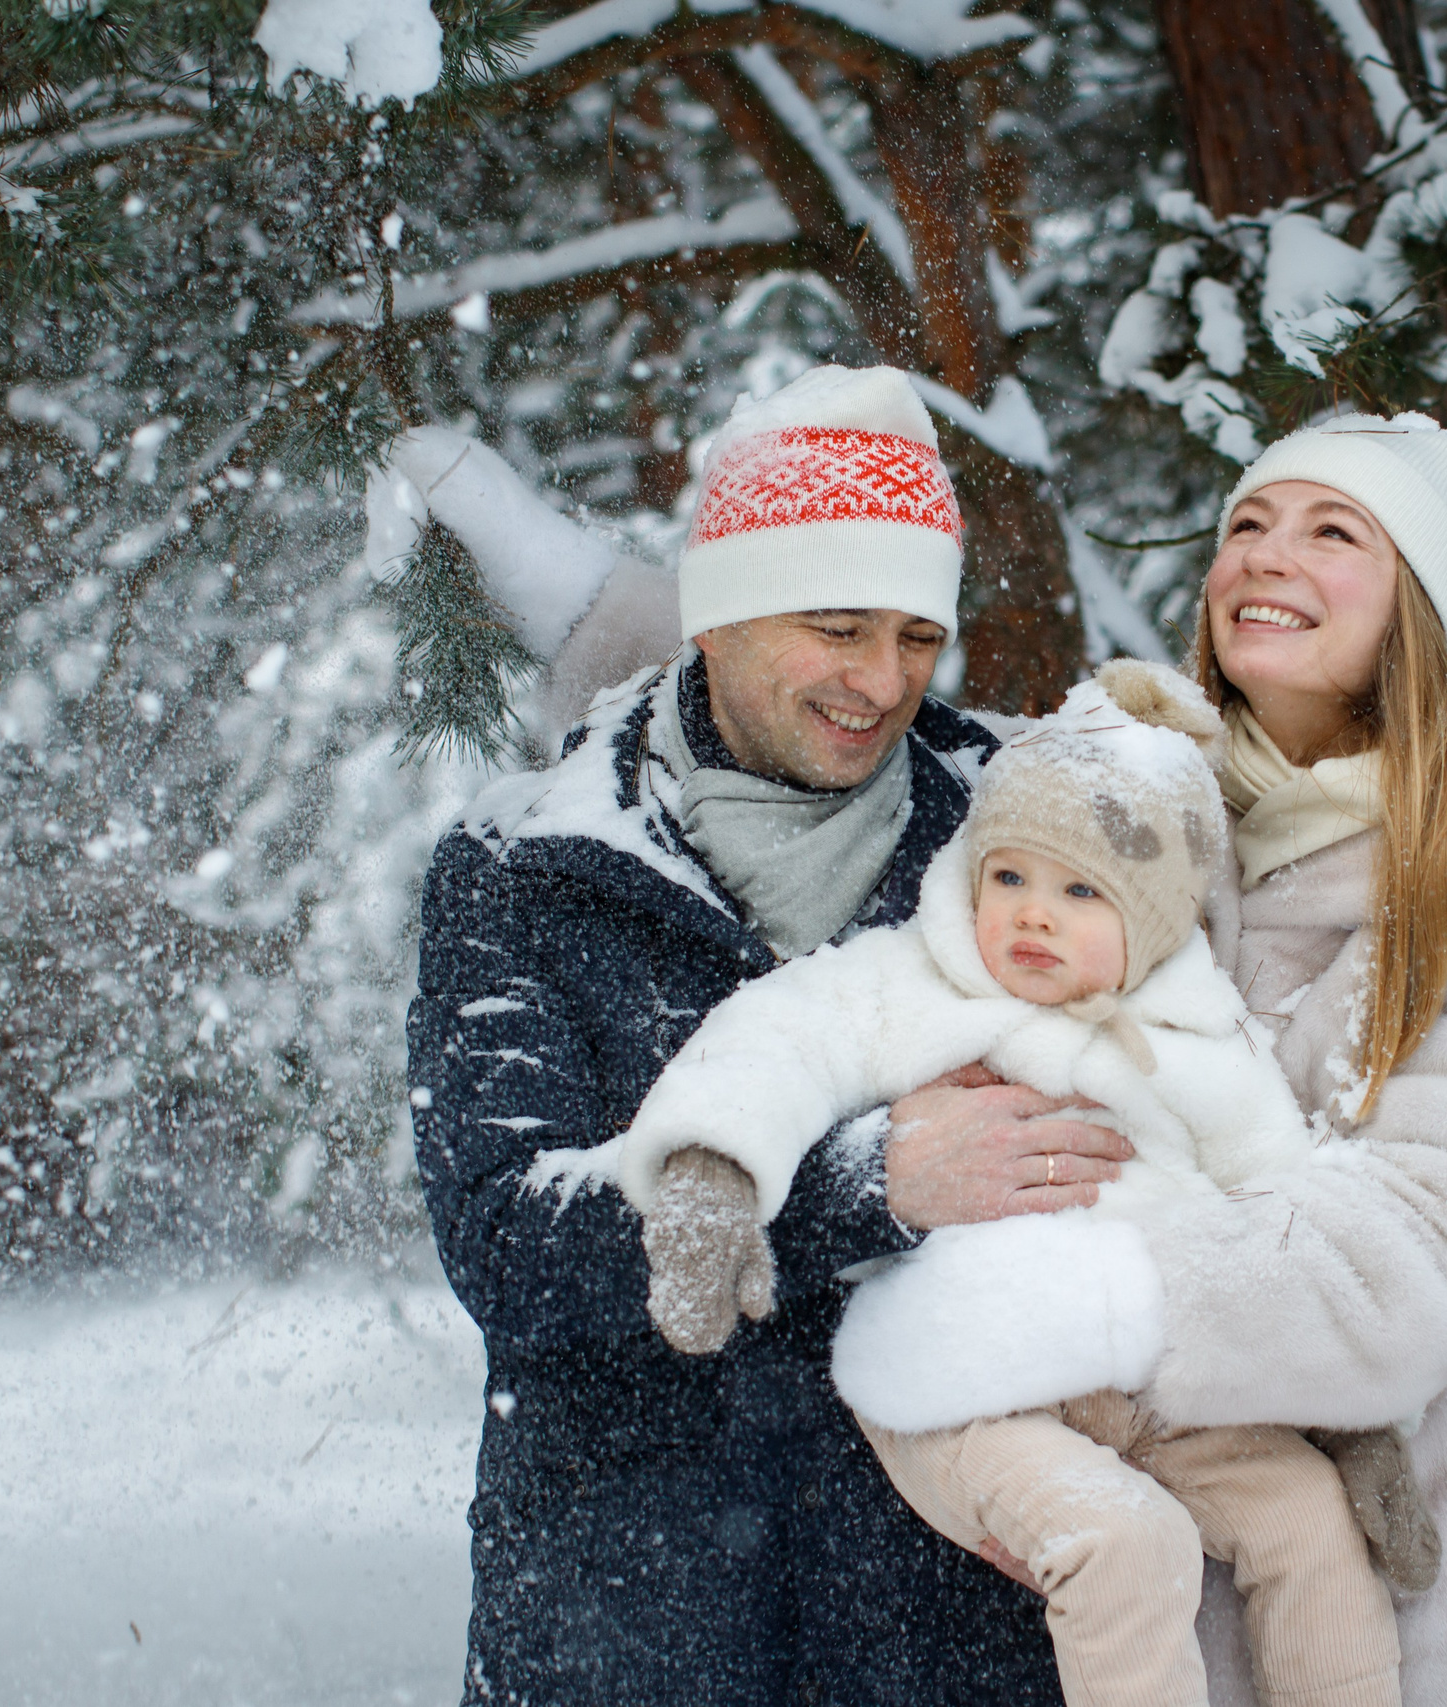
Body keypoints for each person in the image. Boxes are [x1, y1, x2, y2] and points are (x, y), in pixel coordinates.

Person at [884, 414, 1447, 1705]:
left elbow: (1427, 1247)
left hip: (1394, 1563)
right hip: (1111, 1572)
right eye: (1246, 523)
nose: (1268, 555)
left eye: (1331, 530)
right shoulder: (1117, 796)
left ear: (1412, 598)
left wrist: (1071, 1306)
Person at [407, 364, 1121, 1706]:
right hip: (633, 1622)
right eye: (838, 625)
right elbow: (507, 1238)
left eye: (918, 634)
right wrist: (863, 1188)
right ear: (722, 614)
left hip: (953, 1628)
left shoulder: (1021, 840)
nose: (881, 681)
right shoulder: (526, 865)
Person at [591, 658, 1434, 1707]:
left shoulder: (1201, 1041)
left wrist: (1351, 1420)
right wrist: (713, 1168)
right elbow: (776, 1042)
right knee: (1128, 1544)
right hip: (965, 1389)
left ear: (1156, 914)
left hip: (1156, 1392)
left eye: (1081, 891)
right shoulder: (916, 980)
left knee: (1309, 1520)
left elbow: (1285, 1221)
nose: (1033, 915)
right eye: (1011, 878)